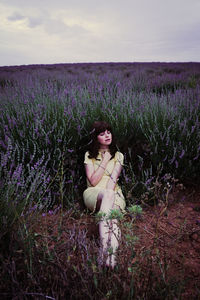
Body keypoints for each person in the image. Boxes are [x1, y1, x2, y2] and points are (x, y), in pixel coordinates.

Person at [83, 121, 126, 269]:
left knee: (113, 219)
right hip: (94, 194)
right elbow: (93, 181)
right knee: (109, 208)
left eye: (108, 132)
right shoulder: (89, 155)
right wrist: (106, 159)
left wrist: (110, 196)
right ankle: (104, 251)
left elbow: (113, 180)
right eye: (102, 134)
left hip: (114, 193)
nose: (107, 136)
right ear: (96, 138)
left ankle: (110, 259)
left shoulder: (119, 156)